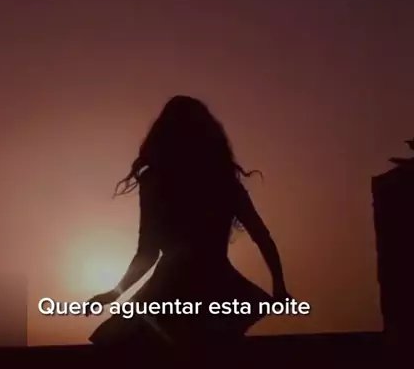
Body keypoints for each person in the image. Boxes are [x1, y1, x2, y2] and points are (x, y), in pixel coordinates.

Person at [86, 95, 290, 346]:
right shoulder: (222, 181)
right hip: (217, 286)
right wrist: (279, 285)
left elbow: (148, 252)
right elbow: (262, 237)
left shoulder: (157, 182)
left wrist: (115, 293)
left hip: (171, 288)